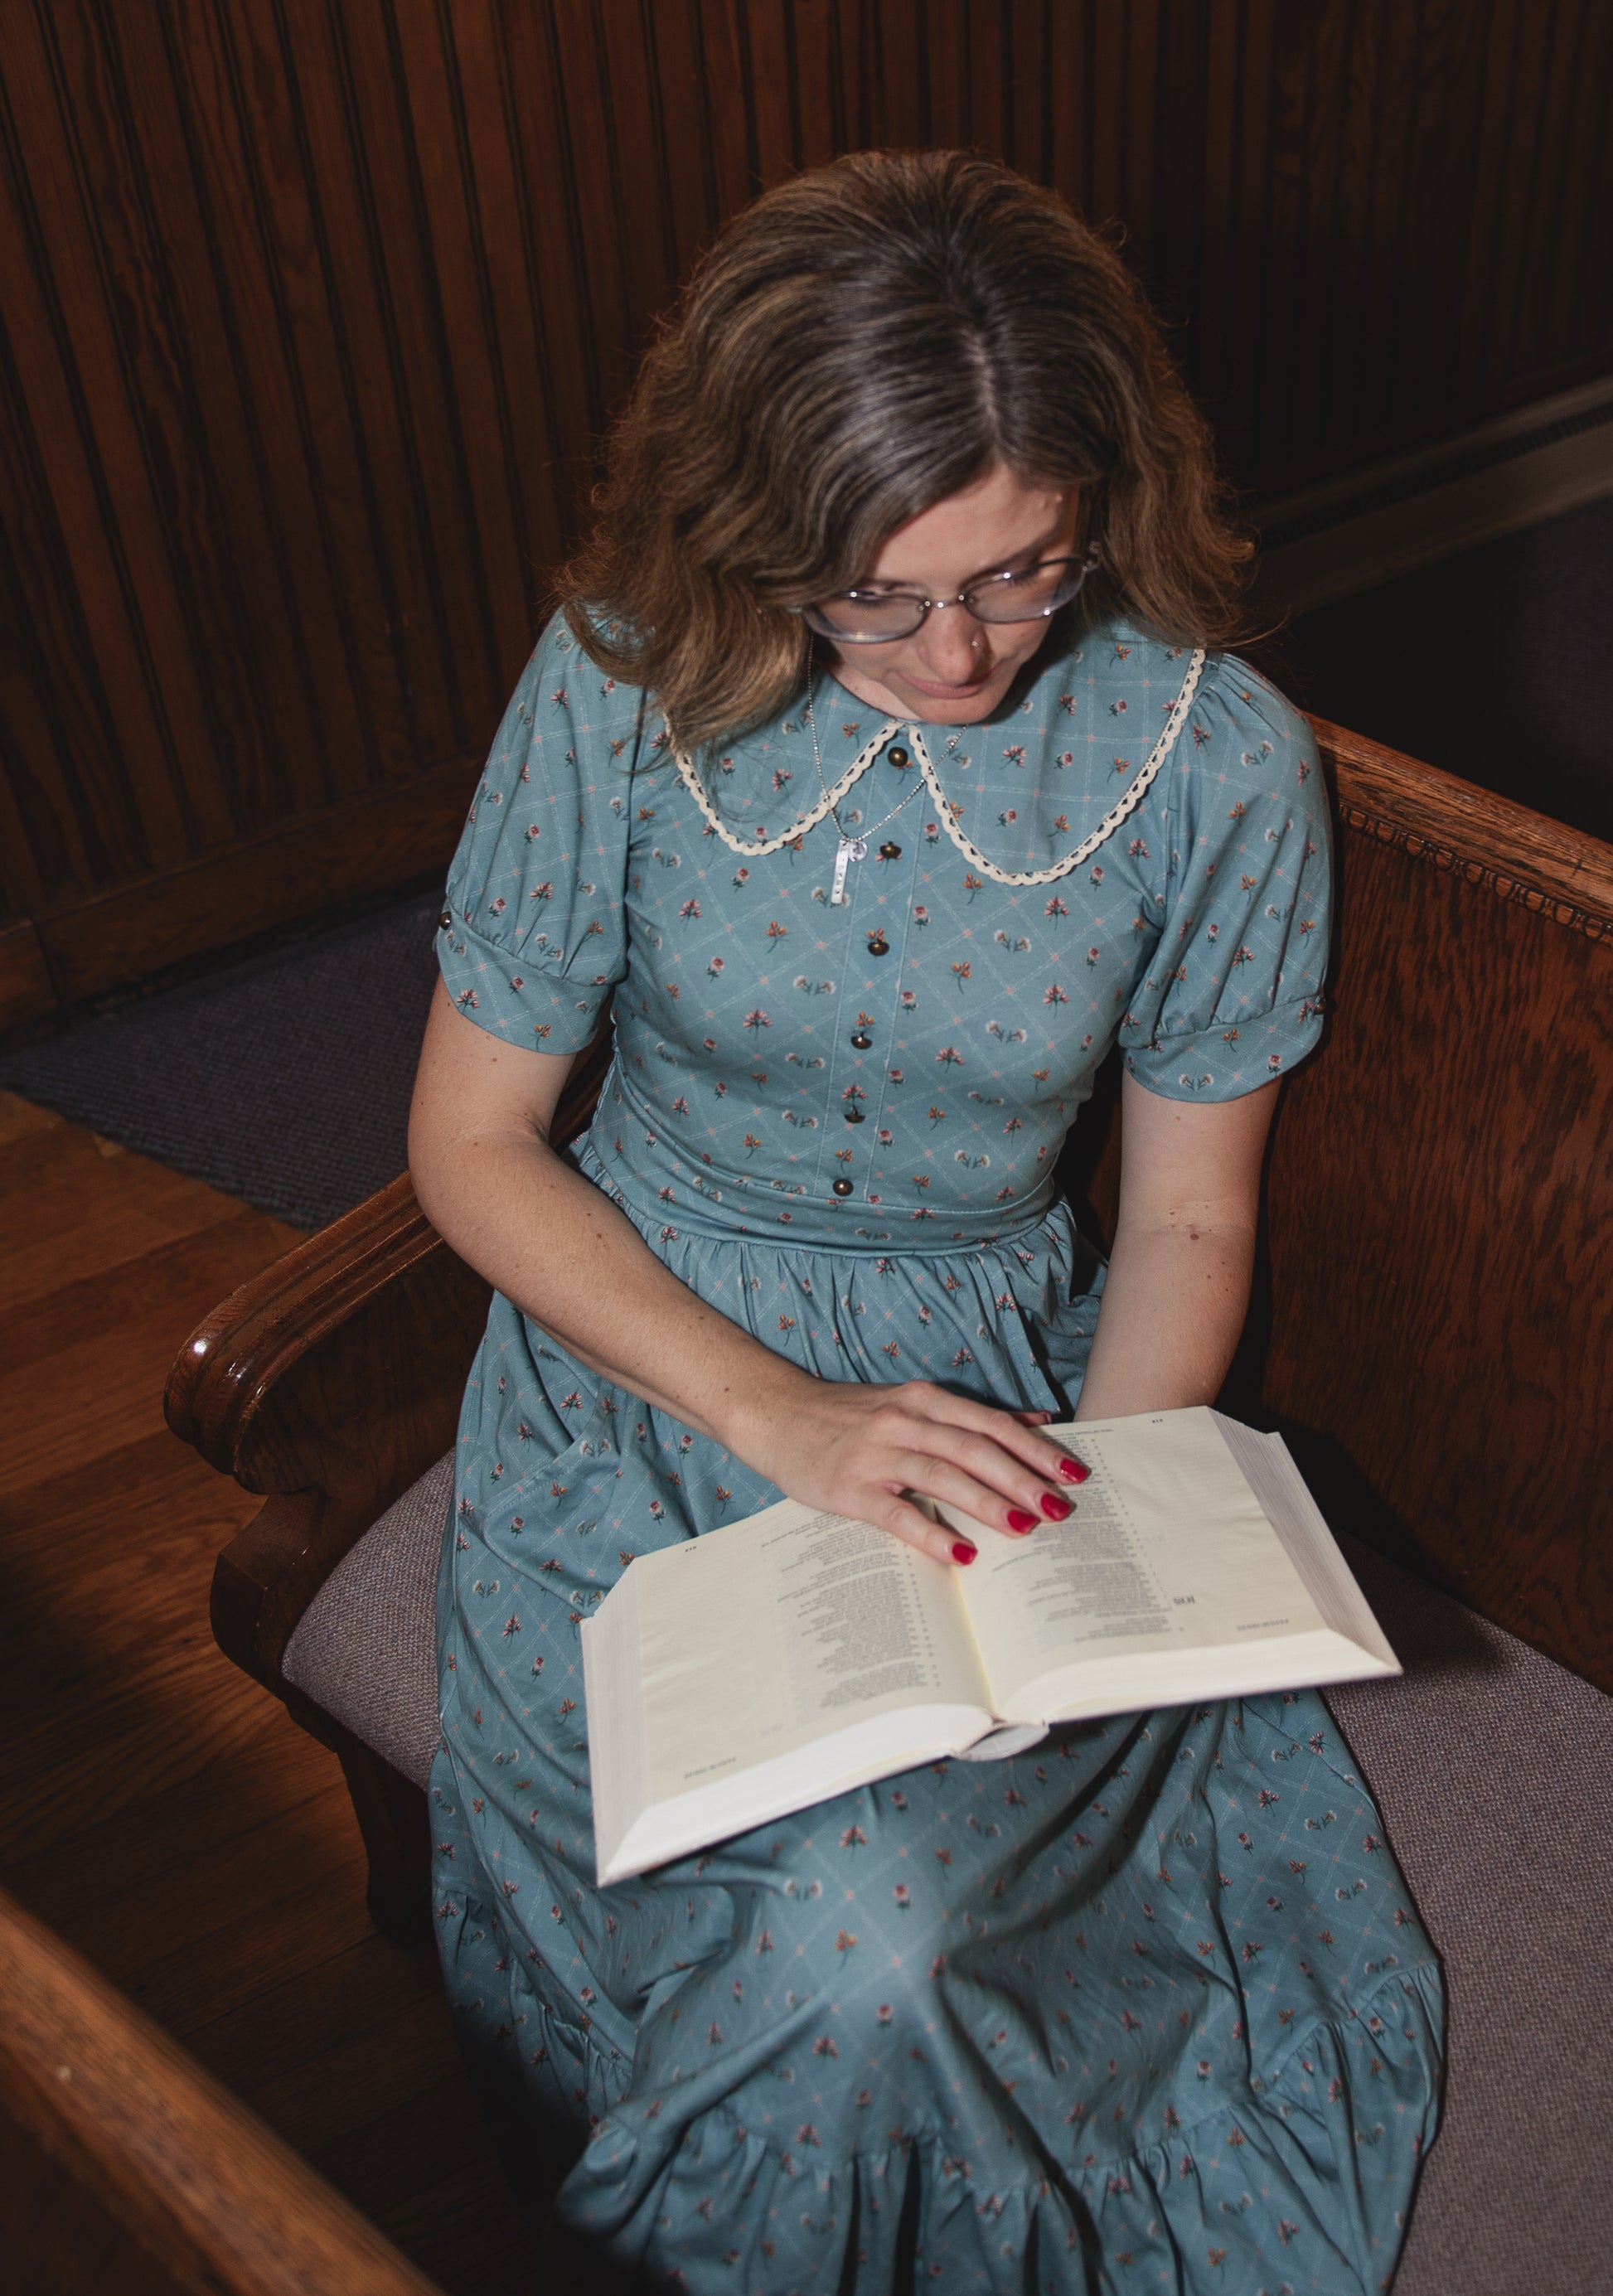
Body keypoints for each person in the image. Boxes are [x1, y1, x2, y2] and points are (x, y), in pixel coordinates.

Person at [409, 150, 1443, 2294]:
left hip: (1003, 1401)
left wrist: (1082, 1514)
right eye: (871, 593)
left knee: (893, 1936)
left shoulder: (1211, 760)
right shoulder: (616, 682)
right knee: (783, 1912)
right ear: (751, 527)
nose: (954, 653)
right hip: (640, 1372)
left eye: (1021, 575)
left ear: (1103, 508)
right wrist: (779, 1416)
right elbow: (474, 1143)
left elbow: (1180, 1222)